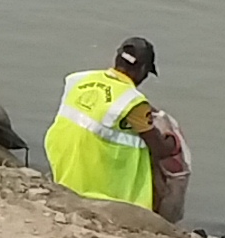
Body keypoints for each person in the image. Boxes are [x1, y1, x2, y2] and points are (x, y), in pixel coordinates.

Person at [44, 35, 189, 223]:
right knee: (151, 158)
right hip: (88, 173)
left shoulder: (80, 78)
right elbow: (159, 149)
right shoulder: (133, 102)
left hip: (62, 159)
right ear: (143, 70)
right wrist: (173, 141)